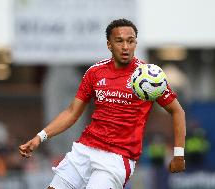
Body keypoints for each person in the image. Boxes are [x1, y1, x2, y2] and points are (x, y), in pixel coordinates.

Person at [19, 18, 186, 189]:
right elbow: (71, 113)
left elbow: (177, 111)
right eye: (119, 41)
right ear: (109, 44)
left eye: (131, 41)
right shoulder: (95, 73)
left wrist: (179, 154)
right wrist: (40, 137)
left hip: (117, 158)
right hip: (84, 150)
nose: (126, 46)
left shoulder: (148, 77)